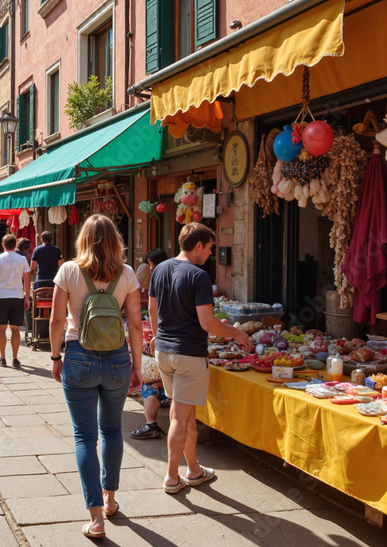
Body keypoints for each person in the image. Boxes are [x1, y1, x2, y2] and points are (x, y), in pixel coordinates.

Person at [48, 215, 143, 539]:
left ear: (83, 240)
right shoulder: (127, 273)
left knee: (84, 437)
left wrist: (55, 355)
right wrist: (137, 366)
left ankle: (96, 519)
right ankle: (111, 499)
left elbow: (57, 318)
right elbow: (133, 324)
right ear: (116, 241)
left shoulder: (69, 271)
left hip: (79, 357)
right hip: (117, 358)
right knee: (113, 430)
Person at [149, 223, 250, 494]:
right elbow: (207, 323)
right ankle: (172, 477)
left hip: (165, 351)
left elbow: (152, 309)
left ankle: (193, 470)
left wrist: (159, 335)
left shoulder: (159, 269)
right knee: (180, 419)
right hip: (188, 354)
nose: (210, 253)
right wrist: (235, 333)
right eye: (209, 248)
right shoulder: (199, 275)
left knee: (184, 414)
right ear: (197, 246)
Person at [131, 249, 172, 440]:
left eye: (152, 264)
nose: (151, 269)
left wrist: (155, 336)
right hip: (182, 339)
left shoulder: (159, 277)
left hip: (166, 337)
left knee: (152, 384)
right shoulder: (183, 274)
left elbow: (152, 307)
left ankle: (150, 424)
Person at [0, 234, 32, 368]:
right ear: (15, 245)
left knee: (2, 329)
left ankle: (2, 357)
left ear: (3, 245)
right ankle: (15, 358)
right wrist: (27, 297)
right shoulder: (22, 259)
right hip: (17, 296)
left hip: (2, 296)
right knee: (16, 330)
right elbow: (27, 279)